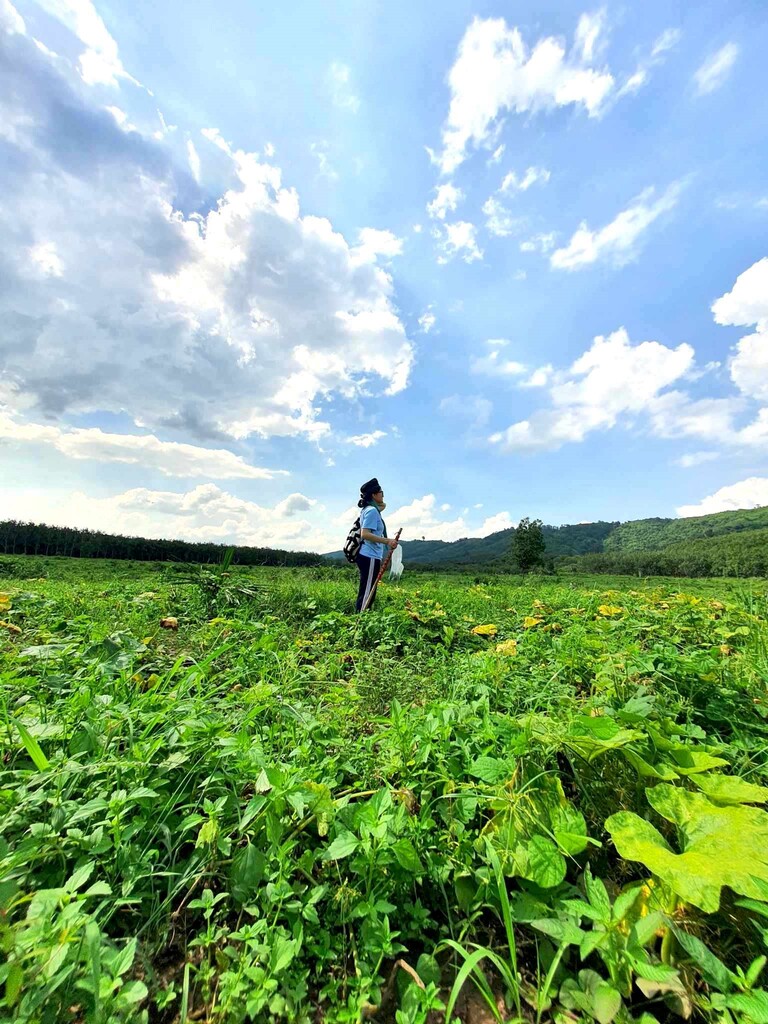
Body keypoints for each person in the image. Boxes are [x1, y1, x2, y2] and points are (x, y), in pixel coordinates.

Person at [356, 477, 398, 612]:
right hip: (369, 556)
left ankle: (362, 618)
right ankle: (359, 621)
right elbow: (365, 534)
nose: (383, 495)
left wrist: (379, 502)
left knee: (369, 592)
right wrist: (387, 541)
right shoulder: (372, 511)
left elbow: (383, 505)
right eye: (381, 492)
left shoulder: (371, 509)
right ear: (374, 495)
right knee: (367, 593)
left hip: (371, 556)